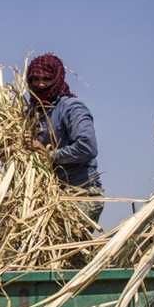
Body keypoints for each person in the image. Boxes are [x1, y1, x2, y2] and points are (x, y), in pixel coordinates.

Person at [26, 53, 104, 225]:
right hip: (50, 195)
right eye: (35, 79)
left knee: (70, 249)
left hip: (80, 192)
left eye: (46, 79)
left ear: (57, 77)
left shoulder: (72, 108)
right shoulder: (32, 113)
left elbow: (87, 147)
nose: (40, 84)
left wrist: (49, 155)